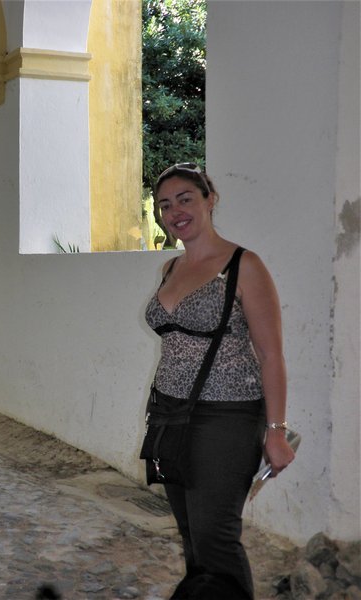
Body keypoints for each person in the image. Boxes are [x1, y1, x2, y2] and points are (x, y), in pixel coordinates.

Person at [144, 163, 296, 599]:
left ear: (210, 199)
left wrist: (276, 431)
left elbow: (271, 355)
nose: (175, 211)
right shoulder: (170, 268)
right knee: (192, 537)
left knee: (216, 540)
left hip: (226, 417)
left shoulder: (244, 265)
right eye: (165, 205)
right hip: (169, 413)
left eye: (185, 199)